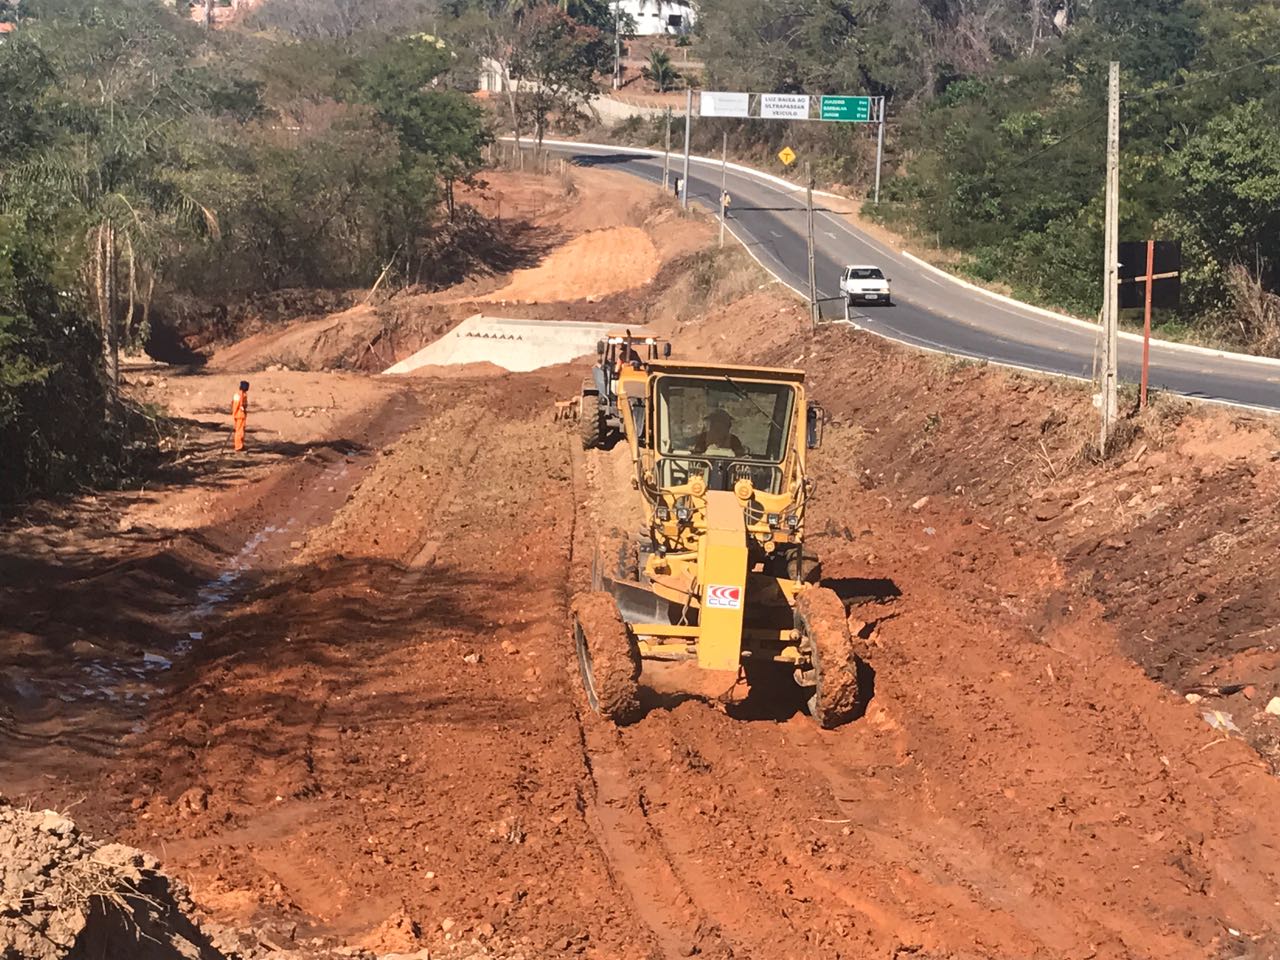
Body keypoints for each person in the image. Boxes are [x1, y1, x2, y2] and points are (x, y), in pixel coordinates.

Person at [231, 380, 249, 452]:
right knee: (239, 432)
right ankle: (238, 446)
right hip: (239, 416)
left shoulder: (244, 395)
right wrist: (234, 415)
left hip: (242, 416)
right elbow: (235, 406)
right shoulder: (237, 395)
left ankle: (240, 445)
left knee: (242, 431)